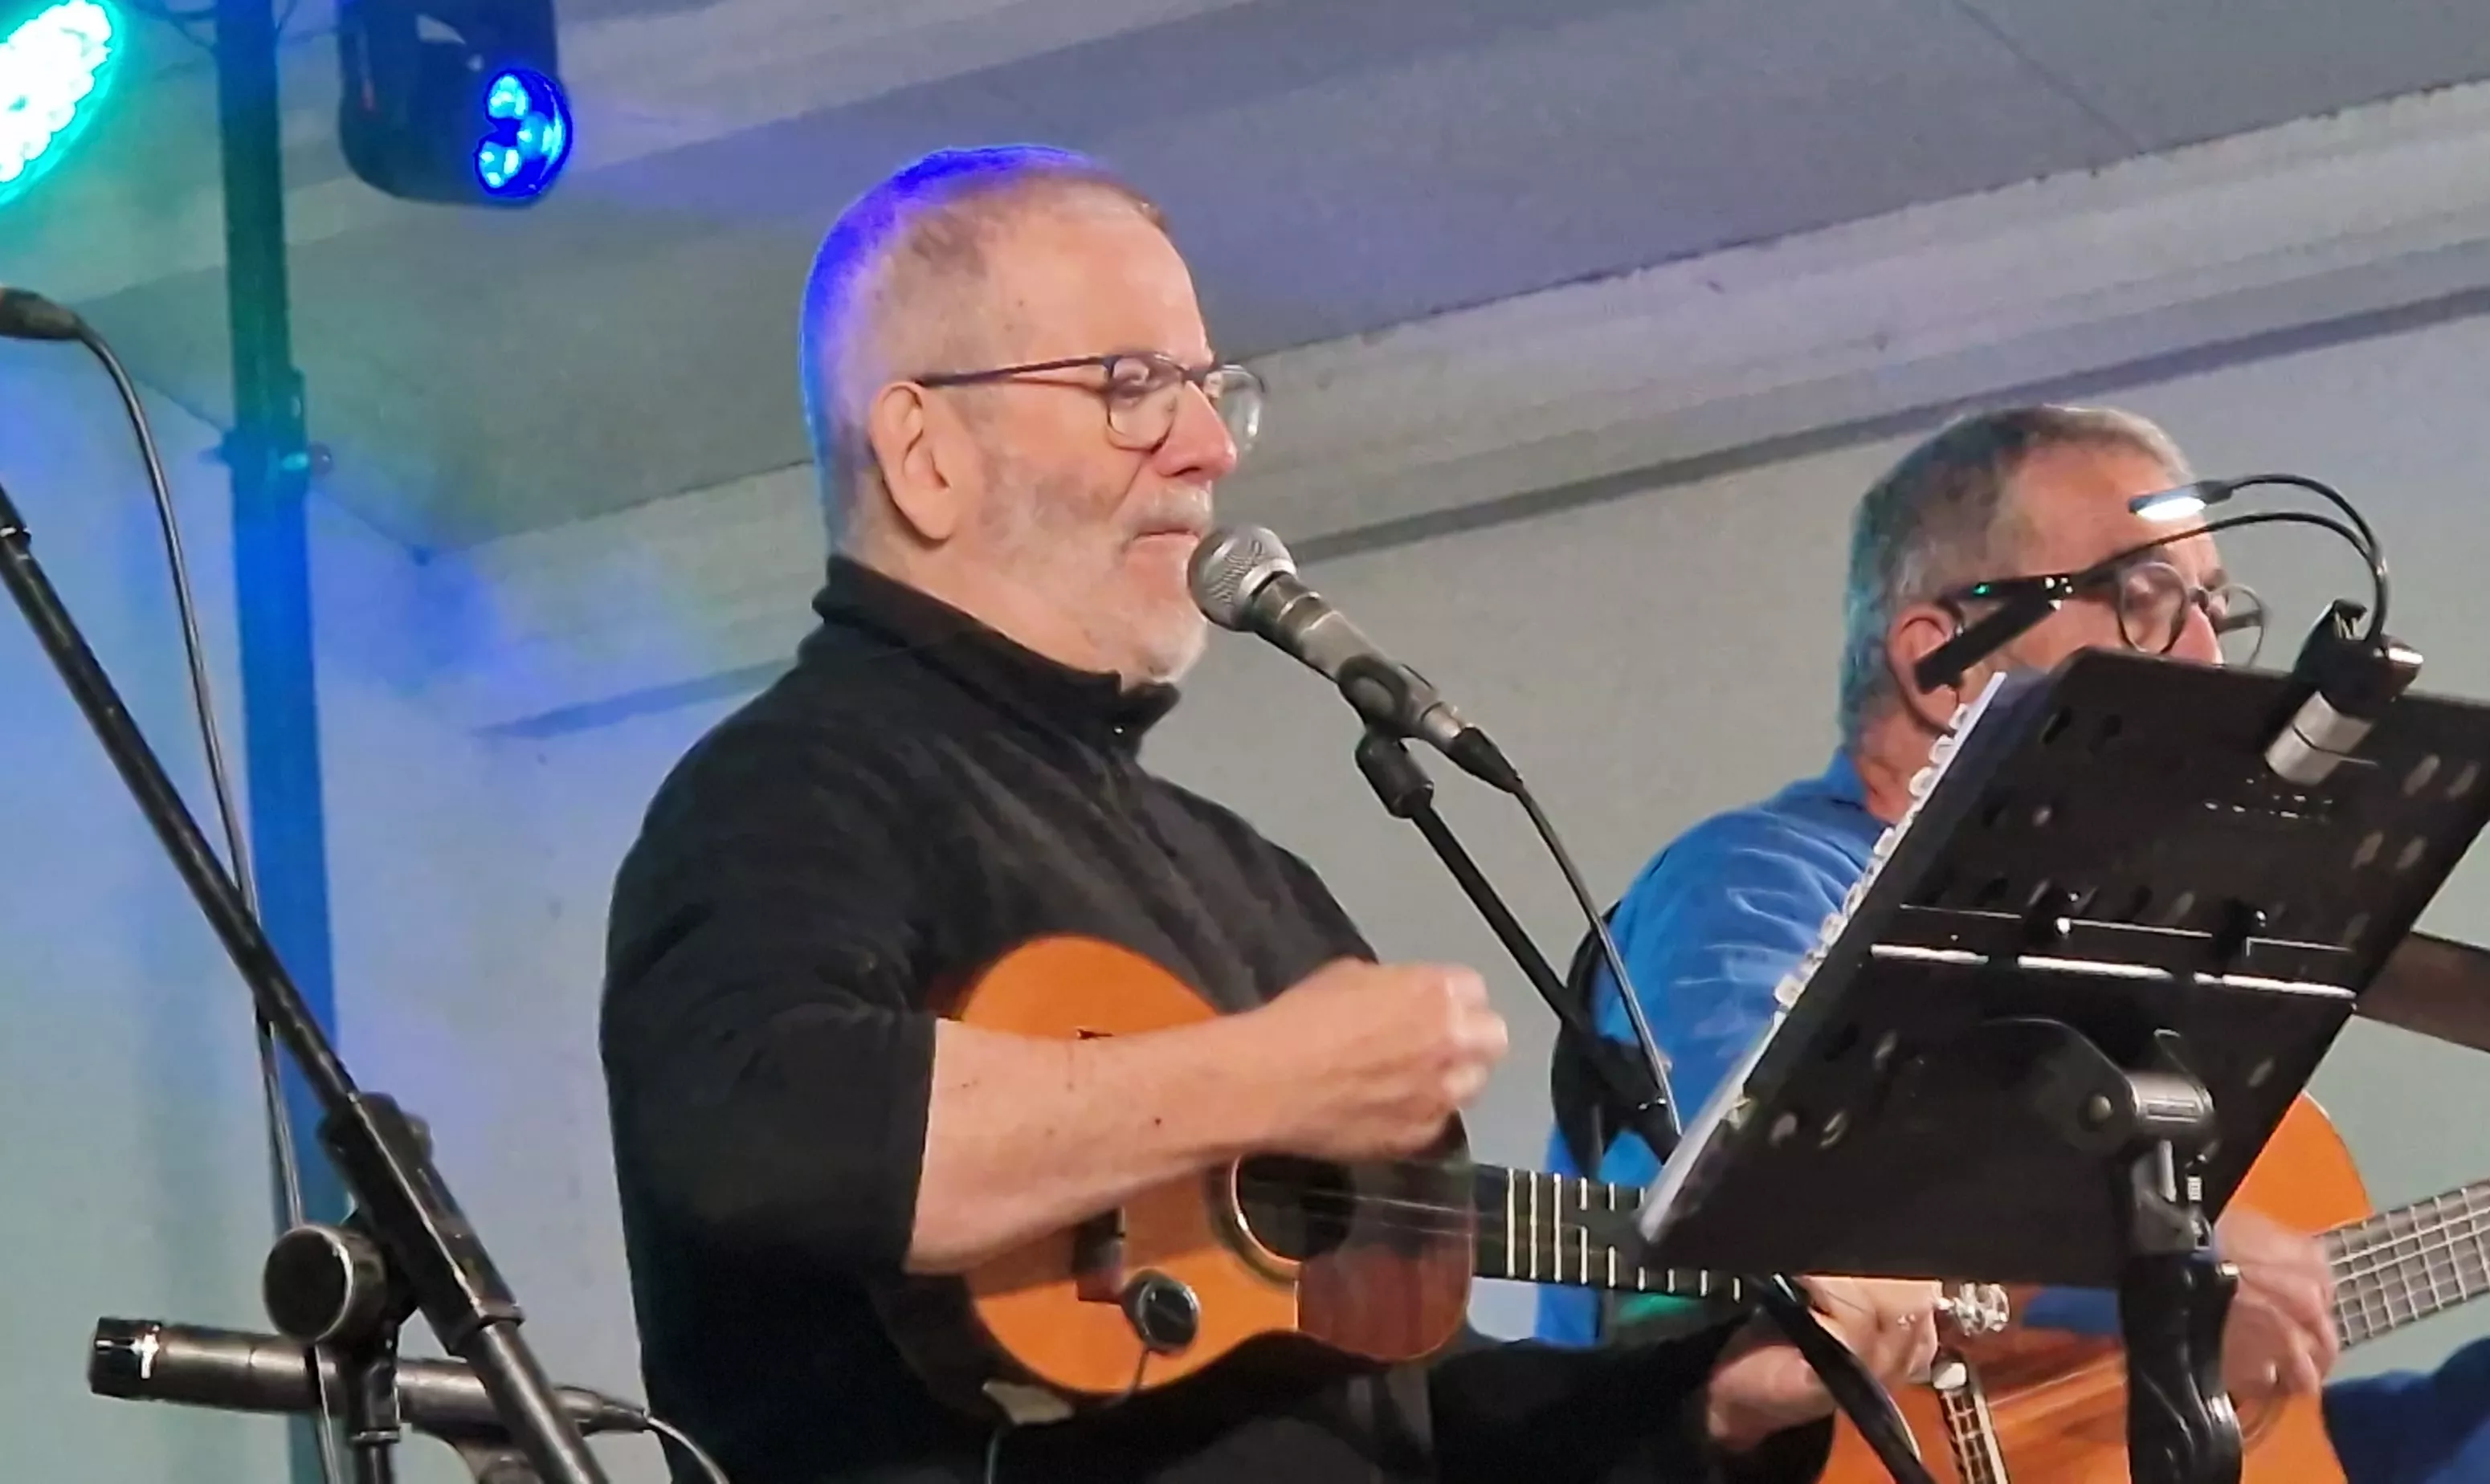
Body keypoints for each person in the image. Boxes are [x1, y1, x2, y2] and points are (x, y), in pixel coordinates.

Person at [597, 144, 1941, 1484]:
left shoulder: (1253, 878)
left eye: (1206, 389)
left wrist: (1709, 1404)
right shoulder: (788, 786)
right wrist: (1264, 1077)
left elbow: (1411, 1415)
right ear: (924, 450)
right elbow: (760, 1129)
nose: (1206, 446)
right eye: (1130, 388)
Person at [1537, 403, 2490, 1483]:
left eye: (2220, 606)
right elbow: (1770, 1200)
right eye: (2145, 595)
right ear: (1942, 661)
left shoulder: (2160, 1015)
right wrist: (2159, 1276)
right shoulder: (1756, 884)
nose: (2211, 653)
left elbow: (2339, 1463)